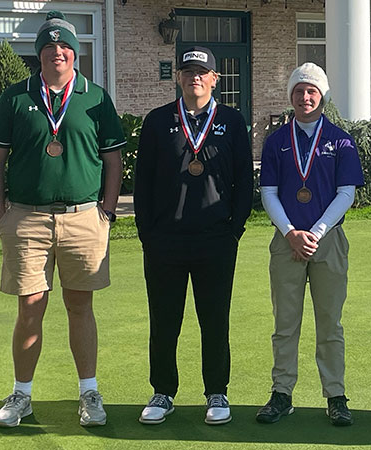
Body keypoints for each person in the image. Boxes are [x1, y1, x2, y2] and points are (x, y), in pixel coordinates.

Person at [0, 11, 125, 428]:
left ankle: (89, 393)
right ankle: (22, 394)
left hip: (83, 217)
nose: (57, 52)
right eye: (50, 46)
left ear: (74, 55)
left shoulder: (95, 97)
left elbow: (113, 160)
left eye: (65, 47)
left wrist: (108, 211)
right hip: (26, 218)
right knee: (30, 308)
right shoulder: (15, 97)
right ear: (40, 53)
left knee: (80, 306)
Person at [133, 46, 253, 426]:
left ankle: (217, 391)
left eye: (202, 72)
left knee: (214, 319)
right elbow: (143, 183)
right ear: (179, 78)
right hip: (164, 240)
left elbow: (244, 179)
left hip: (216, 240)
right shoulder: (157, 121)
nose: (194, 78)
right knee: (164, 320)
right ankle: (163, 392)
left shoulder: (232, 121)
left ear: (215, 79)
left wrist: (233, 230)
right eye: (187, 72)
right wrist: (147, 234)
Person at [255, 62, 364, 426]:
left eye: (312, 91)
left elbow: (346, 193)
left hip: (327, 241)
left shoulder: (341, 140)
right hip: (286, 241)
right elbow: (268, 192)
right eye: (299, 90)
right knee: (285, 324)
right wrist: (290, 233)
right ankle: (282, 393)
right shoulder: (276, 141)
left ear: (323, 96)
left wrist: (314, 233)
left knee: (330, 325)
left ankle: (335, 395)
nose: (305, 97)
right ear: (291, 96)